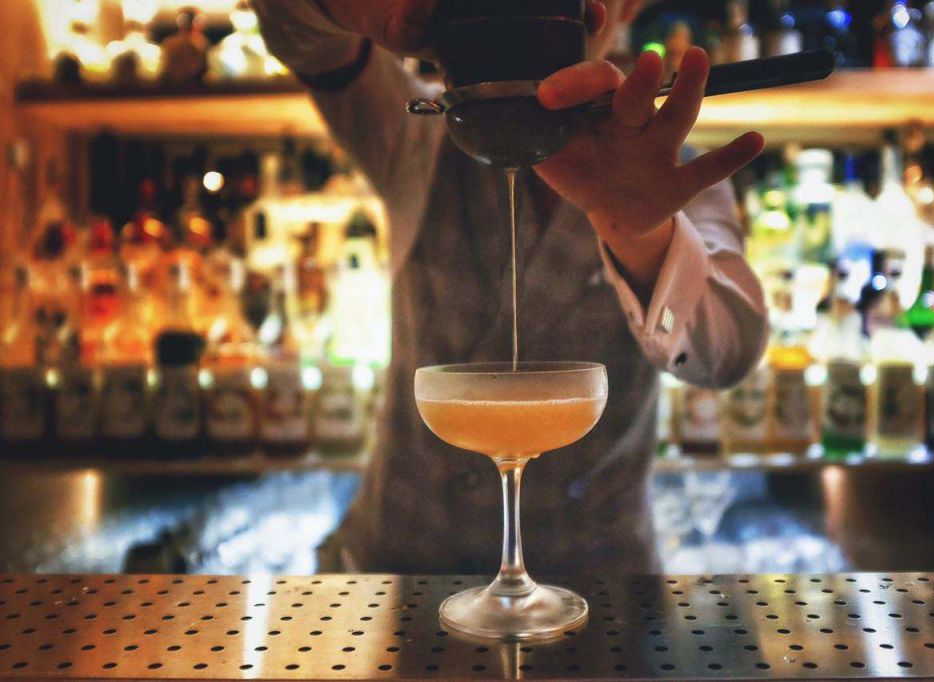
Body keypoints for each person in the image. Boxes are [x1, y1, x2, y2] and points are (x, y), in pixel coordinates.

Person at [251, 0, 768, 574]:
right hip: (403, 574)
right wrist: (374, 13)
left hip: (601, 593)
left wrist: (644, 236)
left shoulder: (670, 175)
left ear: (626, 8)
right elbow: (296, 29)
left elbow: (728, 351)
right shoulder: (416, 137)